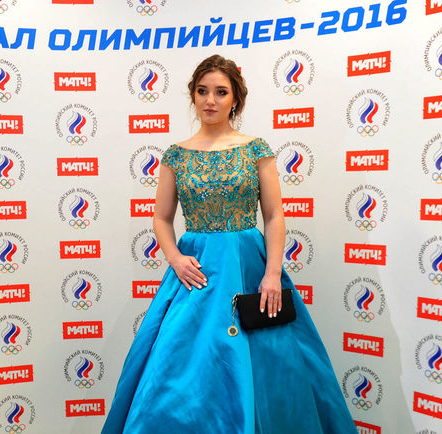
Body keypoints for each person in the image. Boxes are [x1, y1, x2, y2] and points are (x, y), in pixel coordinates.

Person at [102, 55, 357, 434]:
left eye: (221, 92)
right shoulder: (176, 155)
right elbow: (161, 217)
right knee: (181, 363)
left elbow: (274, 215)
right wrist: (175, 258)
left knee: (269, 364)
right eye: (202, 91)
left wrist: (273, 274)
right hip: (196, 270)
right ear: (193, 95)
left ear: (235, 98)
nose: (210, 100)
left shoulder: (255, 149)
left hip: (248, 265)